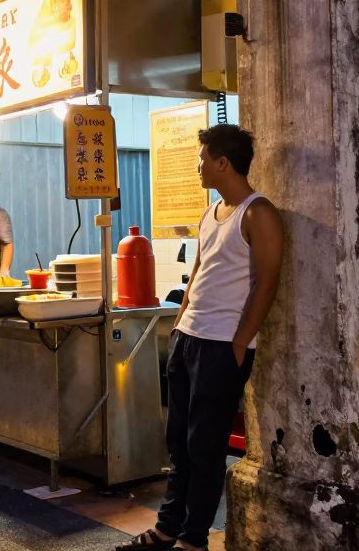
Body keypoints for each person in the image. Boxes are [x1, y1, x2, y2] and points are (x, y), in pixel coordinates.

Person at [118, 124, 284, 551]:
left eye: (203, 158)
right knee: (179, 444)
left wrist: (238, 342)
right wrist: (180, 319)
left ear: (222, 162)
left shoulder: (258, 212)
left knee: (205, 447)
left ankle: (194, 540)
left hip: (221, 346)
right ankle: (167, 528)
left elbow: (267, 284)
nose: (198, 166)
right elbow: (198, 271)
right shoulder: (210, 213)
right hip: (188, 339)